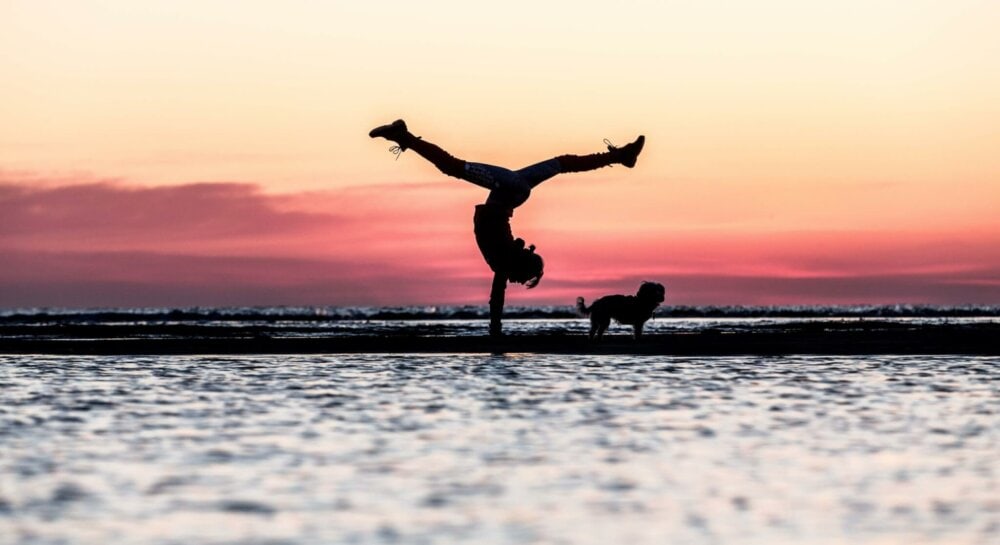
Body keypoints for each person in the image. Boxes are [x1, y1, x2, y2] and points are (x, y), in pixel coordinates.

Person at [369, 119, 645, 337]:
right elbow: (496, 299)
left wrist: (496, 329)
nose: (515, 282)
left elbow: (499, 291)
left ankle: (622, 157)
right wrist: (495, 330)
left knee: (562, 164)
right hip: (508, 190)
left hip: (514, 193)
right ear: (520, 268)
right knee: (452, 167)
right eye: (522, 279)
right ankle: (402, 136)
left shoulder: (507, 255)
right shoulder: (504, 261)